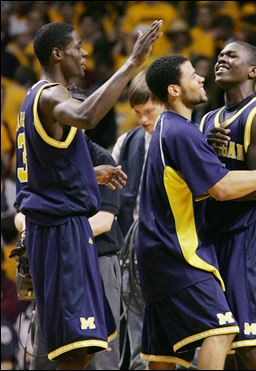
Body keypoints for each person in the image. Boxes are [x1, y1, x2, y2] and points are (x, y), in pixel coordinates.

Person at [15, 20, 162, 370]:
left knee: (76, 348)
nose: (84, 53)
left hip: (51, 229)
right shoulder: (52, 95)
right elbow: (86, 115)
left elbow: (44, 170)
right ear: (57, 53)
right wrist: (132, 63)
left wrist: (87, 174)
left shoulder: (33, 97)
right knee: (76, 348)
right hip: (60, 233)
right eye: (77, 46)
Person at [136, 54, 256, 370]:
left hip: (154, 256)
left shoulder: (173, 129)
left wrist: (205, 147)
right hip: (180, 253)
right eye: (192, 76)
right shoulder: (181, 131)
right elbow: (223, 188)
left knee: (163, 355)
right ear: (175, 90)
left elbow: (200, 185)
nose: (201, 77)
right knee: (224, 333)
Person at [200, 41, 256, 370]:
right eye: (219, 54)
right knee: (227, 339)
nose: (221, 58)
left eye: (231, 55)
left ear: (253, 71)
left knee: (251, 342)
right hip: (215, 233)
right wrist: (207, 157)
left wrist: (217, 187)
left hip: (249, 232)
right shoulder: (208, 118)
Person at [112, 70, 164, 370]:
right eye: (137, 113)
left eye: (149, 111)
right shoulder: (126, 143)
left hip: (179, 253)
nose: (143, 119)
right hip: (135, 254)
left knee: (187, 345)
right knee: (139, 351)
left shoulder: (189, 135)